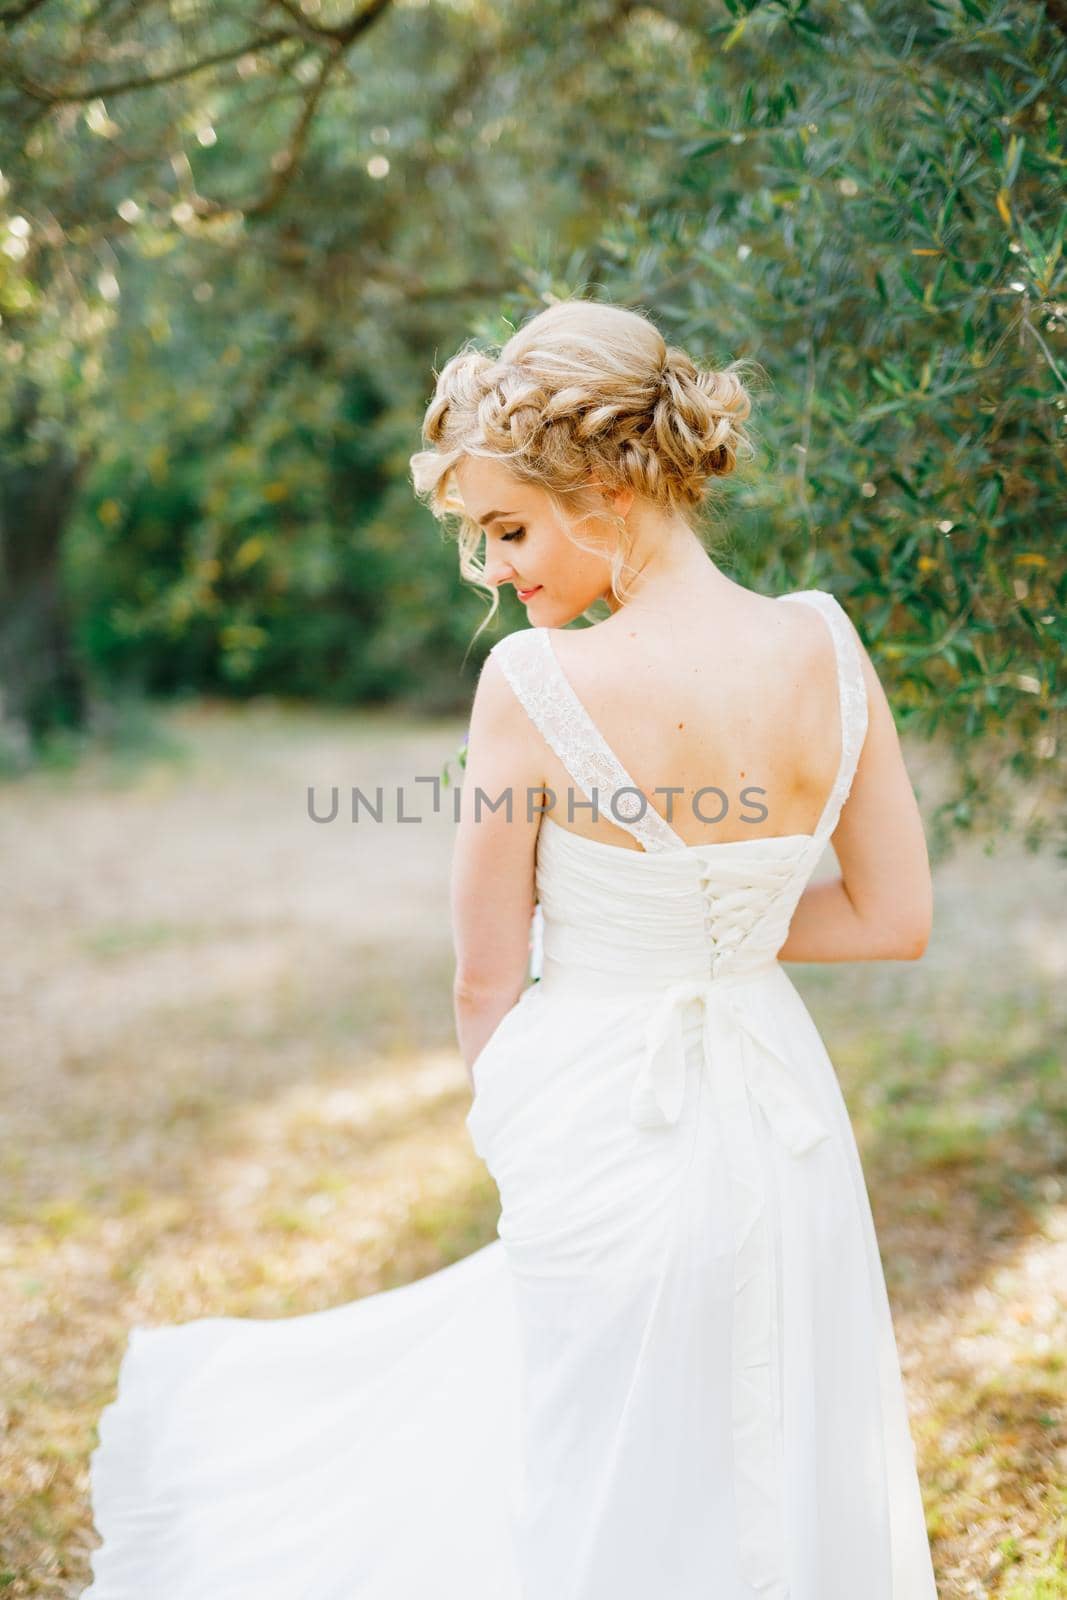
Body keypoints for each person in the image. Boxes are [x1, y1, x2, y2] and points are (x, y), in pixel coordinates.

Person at [85, 299, 940, 1600]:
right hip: (780, 1122)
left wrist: (532, 1129)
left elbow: (486, 975)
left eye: (509, 530)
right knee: (760, 1432)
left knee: (588, 1459)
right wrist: (725, 930)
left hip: (603, 1115)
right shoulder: (826, 644)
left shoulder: (536, 689)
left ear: (604, 483)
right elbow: (893, 916)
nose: (495, 571)